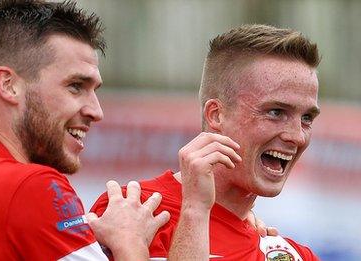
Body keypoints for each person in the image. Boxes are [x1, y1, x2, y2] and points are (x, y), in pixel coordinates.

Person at [0, 1, 171, 260]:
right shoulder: (31, 186)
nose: (96, 111)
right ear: (9, 85)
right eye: (76, 86)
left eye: (94, 90)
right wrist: (130, 242)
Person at [92, 24, 321, 260]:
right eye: (275, 112)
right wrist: (194, 212)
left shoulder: (293, 254)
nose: (297, 136)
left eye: (307, 118)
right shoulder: (130, 213)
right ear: (216, 114)